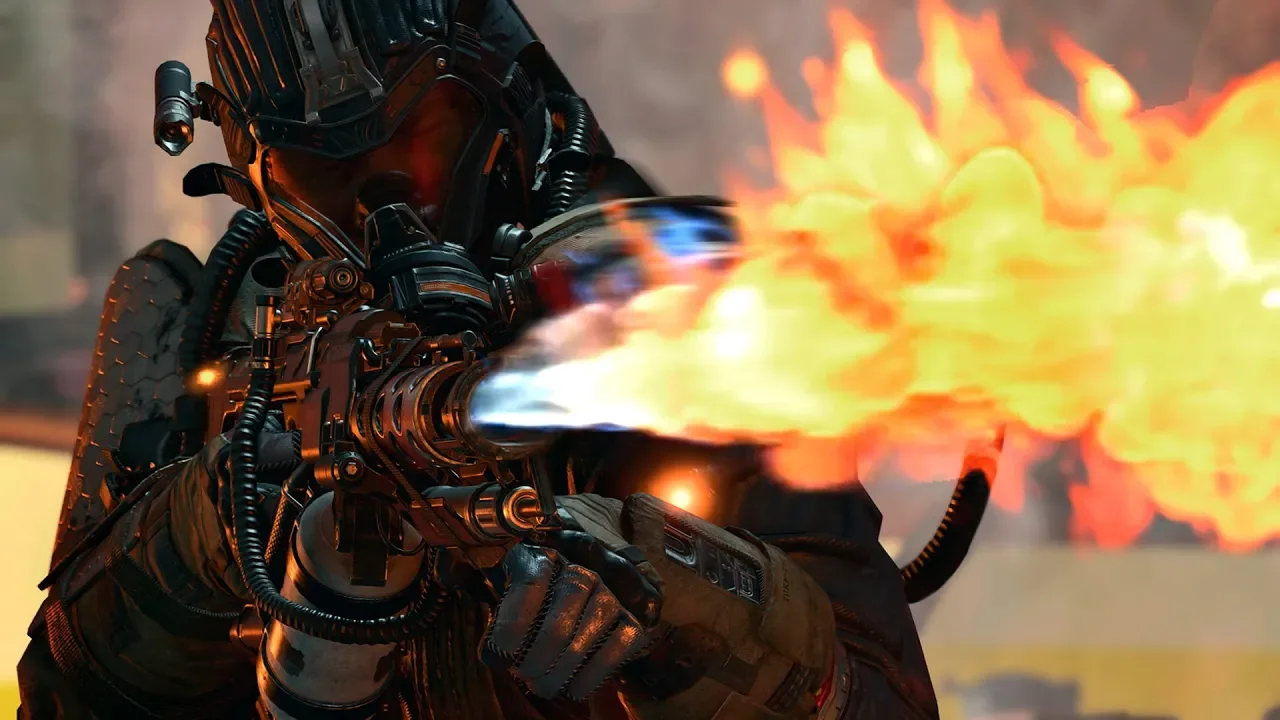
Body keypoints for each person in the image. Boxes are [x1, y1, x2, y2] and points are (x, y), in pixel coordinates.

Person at [16, 1, 938, 718]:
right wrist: (205, 533)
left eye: (418, 137)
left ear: (498, 107)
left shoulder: (672, 313)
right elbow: (63, 699)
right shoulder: (199, 332)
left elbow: (874, 702)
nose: (386, 209)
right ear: (258, 175)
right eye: (324, 171)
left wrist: (687, 616)